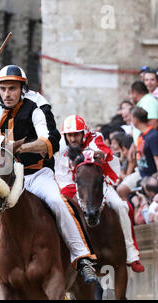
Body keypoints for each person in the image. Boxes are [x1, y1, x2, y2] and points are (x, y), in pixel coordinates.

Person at [0, 64, 98, 300]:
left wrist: (17, 148)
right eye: (3, 88)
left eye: (13, 88)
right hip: (2, 176)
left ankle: (82, 258)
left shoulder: (37, 104)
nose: (7, 94)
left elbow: (51, 141)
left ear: (22, 89)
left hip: (35, 174)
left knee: (58, 201)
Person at [55, 115, 144, 272]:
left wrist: (98, 154)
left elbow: (101, 151)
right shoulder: (60, 148)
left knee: (121, 206)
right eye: (70, 135)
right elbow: (63, 179)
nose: (73, 138)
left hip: (99, 184)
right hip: (73, 187)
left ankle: (131, 253)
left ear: (84, 133)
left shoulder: (96, 137)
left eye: (76, 134)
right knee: (59, 209)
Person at [117, 107, 158, 201]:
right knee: (121, 189)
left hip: (150, 174)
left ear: (135, 120)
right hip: (140, 172)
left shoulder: (153, 135)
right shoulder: (141, 135)